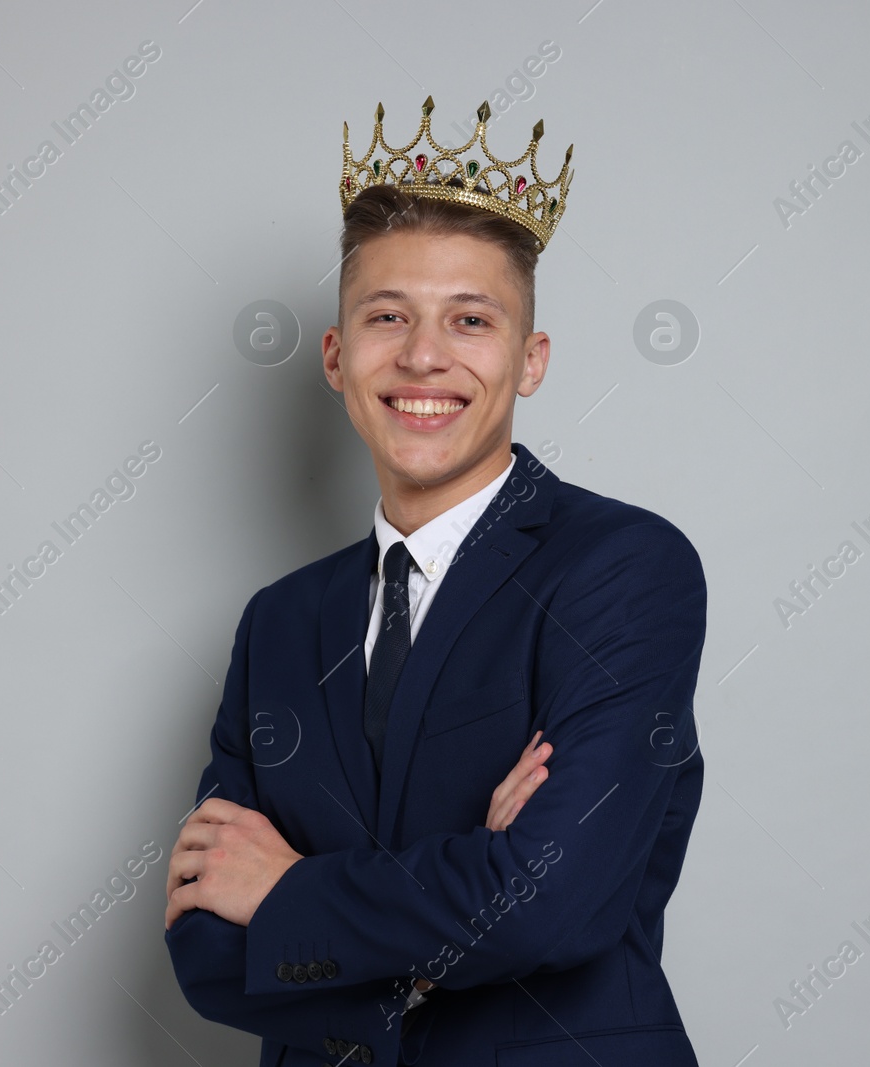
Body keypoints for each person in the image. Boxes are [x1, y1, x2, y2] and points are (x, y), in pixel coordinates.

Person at [164, 97, 707, 1066]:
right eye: (386, 316)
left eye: (470, 318)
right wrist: (467, 891)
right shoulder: (278, 623)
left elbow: (549, 900)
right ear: (337, 356)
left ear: (528, 359)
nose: (423, 355)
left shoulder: (624, 568)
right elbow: (206, 945)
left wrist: (289, 893)